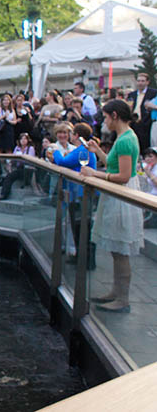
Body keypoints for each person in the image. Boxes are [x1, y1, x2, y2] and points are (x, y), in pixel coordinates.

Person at [80, 100, 144, 313]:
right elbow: (115, 164)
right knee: (117, 250)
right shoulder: (125, 137)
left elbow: (123, 176)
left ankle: (122, 298)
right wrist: (98, 151)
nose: (105, 121)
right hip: (118, 197)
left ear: (114, 115)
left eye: (106, 117)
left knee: (120, 250)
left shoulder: (126, 140)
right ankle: (116, 292)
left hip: (121, 198)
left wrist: (95, 173)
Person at [48, 123, 97, 263]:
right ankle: (81, 256)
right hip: (75, 192)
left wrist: (55, 151)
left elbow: (63, 162)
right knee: (79, 224)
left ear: (76, 135)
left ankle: (85, 259)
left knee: (81, 225)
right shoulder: (83, 149)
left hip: (79, 192)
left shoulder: (81, 149)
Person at [0, 132, 36, 201]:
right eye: (21, 139)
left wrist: (21, 158)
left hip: (27, 169)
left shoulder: (30, 148)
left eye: (25, 139)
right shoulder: (17, 148)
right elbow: (13, 157)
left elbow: (30, 160)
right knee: (9, 177)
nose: (23, 140)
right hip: (18, 168)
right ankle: (3, 194)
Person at [127, 72, 157, 151]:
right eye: (139, 81)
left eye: (143, 81)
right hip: (134, 123)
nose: (140, 83)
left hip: (147, 123)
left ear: (147, 82)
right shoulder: (132, 95)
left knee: (147, 147)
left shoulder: (153, 93)